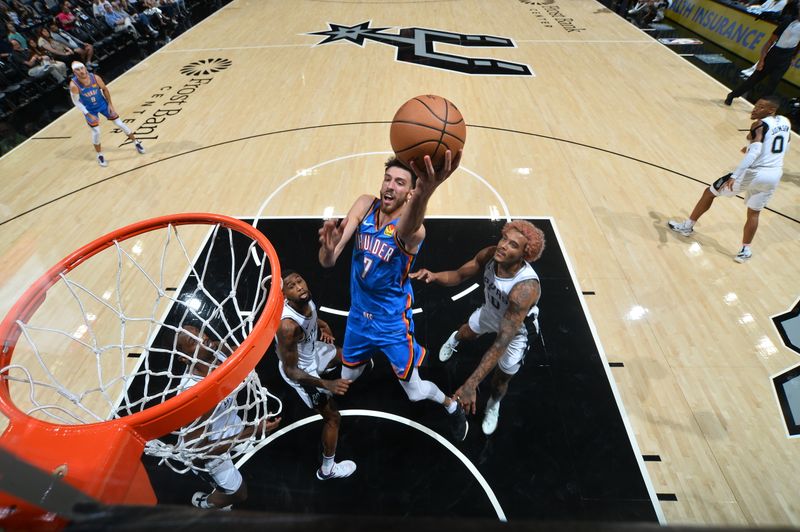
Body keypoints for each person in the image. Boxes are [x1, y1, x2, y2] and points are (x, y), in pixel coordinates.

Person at [318, 153, 469, 441]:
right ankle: (364, 362)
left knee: (414, 392)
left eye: (400, 183)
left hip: (391, 324)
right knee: (348, 377)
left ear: (411, 191)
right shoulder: (365, 205)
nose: (389, 186)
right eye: (388, 179)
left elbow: (410, 225)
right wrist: (329, 248)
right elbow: (328, 260)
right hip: (359, 317)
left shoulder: (413, 231)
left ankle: (451, 405)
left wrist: (427, 189)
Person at [411, 220, 545, 435]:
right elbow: (459, 274)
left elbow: (502, 340)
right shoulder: (490, 255)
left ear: (524, 254)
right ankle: (454, 338)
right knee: (465, 333)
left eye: (513, 245)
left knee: (501, 379)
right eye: (504, 239)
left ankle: (493, 404)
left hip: (516, 333)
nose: (503, 245)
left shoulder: (525, 288)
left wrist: (470, 384)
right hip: (491, 312)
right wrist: (435, 276)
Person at [668, 96, 790, 262]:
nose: (755, 109)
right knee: (754, 213)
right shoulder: (785, 121)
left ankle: (687, 227)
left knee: (709, 192)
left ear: (771, 110)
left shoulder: (759, 125)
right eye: (756, 105)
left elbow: (754, 153)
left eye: (761, 107)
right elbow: (783, 143)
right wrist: (750, 146)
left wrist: (735, 175)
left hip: (754, 173)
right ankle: (745, 250)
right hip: (774, 175)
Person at [175, 325, 281, 510]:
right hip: (205, 448)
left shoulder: (218, 350)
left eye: (200, 333)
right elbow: (200, 453)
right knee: (240, 494)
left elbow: (242, 351)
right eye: (194, 342)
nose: (204, 339)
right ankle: (207, 503)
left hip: (228, 423)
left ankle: (239, 437)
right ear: (185, 358)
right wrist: (252, 431)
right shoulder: (194, 395)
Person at [275, 270, 357, 480]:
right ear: (285, 295)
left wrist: (325, 326)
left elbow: (313, 318)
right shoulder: (287, 327)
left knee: (349, 356)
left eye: (299, 281)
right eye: (291, 286)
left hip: (313, 351)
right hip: (301, 373)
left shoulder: (306, 299)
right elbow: (291, 371)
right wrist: (326, 384)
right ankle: (327, 470)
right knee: (333, 418)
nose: (299, 287)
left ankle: (329, 372)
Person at [69, 61, 145, 166]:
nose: (81, 71)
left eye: (82, 68)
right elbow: (76, 102)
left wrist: (110, 104)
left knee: (119, 124)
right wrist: (87, 114)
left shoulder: (95, 78)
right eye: (78, 70)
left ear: (85, 68)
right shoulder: (74, 85)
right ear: (74, 72)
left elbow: (104, 89)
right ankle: (99, 155)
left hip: (102, 104)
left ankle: (136, 142)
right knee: (96, 132)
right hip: (89, 109)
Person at [726, 9, 800, 105]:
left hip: (786, 57)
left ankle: (761, 106)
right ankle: (732, 95)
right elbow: (769, 42)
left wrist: (793, 56)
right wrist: (761, 61)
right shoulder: (787, 21)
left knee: (773, 83)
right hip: (774, 53)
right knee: (754, 80)